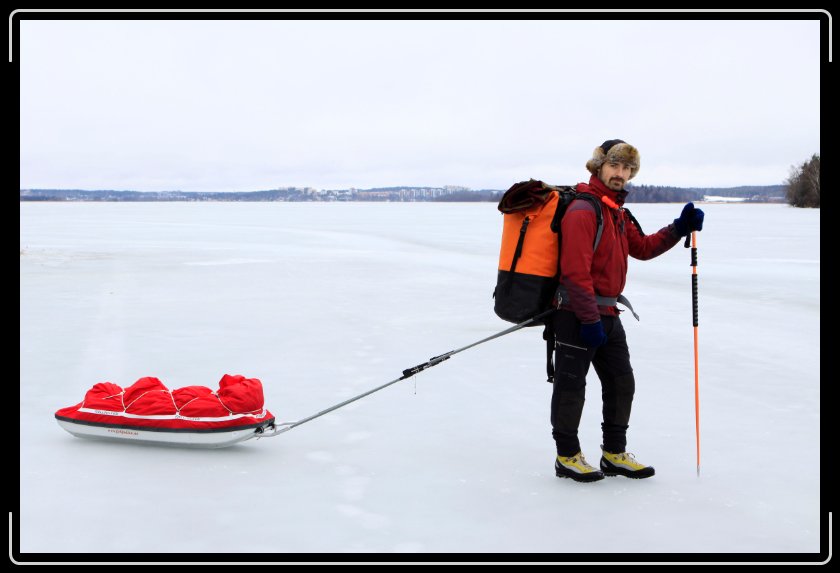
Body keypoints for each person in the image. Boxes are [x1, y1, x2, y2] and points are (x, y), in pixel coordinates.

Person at [551, 139, 704, 482]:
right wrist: (589, 319)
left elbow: (644, 247)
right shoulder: (583, 210)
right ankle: (567, 456)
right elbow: (575, 271)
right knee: (571, 386)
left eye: (627, 168)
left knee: (622, 383)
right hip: (577, 312)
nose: (621, 174)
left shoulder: (616, 211)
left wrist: (678, 228)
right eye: (615, 166)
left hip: (607, 314)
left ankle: (614, 453)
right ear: (599, 167)